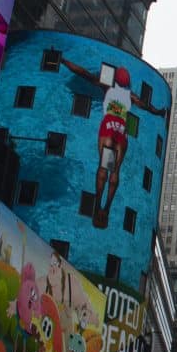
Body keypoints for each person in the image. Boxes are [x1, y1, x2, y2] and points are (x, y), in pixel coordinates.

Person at [60, 55, 166, 228]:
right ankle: (107, 208)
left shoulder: (107, 88)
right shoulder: (131, 96)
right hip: (120, 132)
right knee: (115, 171)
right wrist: (160, 112)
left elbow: (83, 73)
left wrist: (64, 61)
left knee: (104, 167)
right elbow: (148, 106)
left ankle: (97, 205)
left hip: (109, 127)